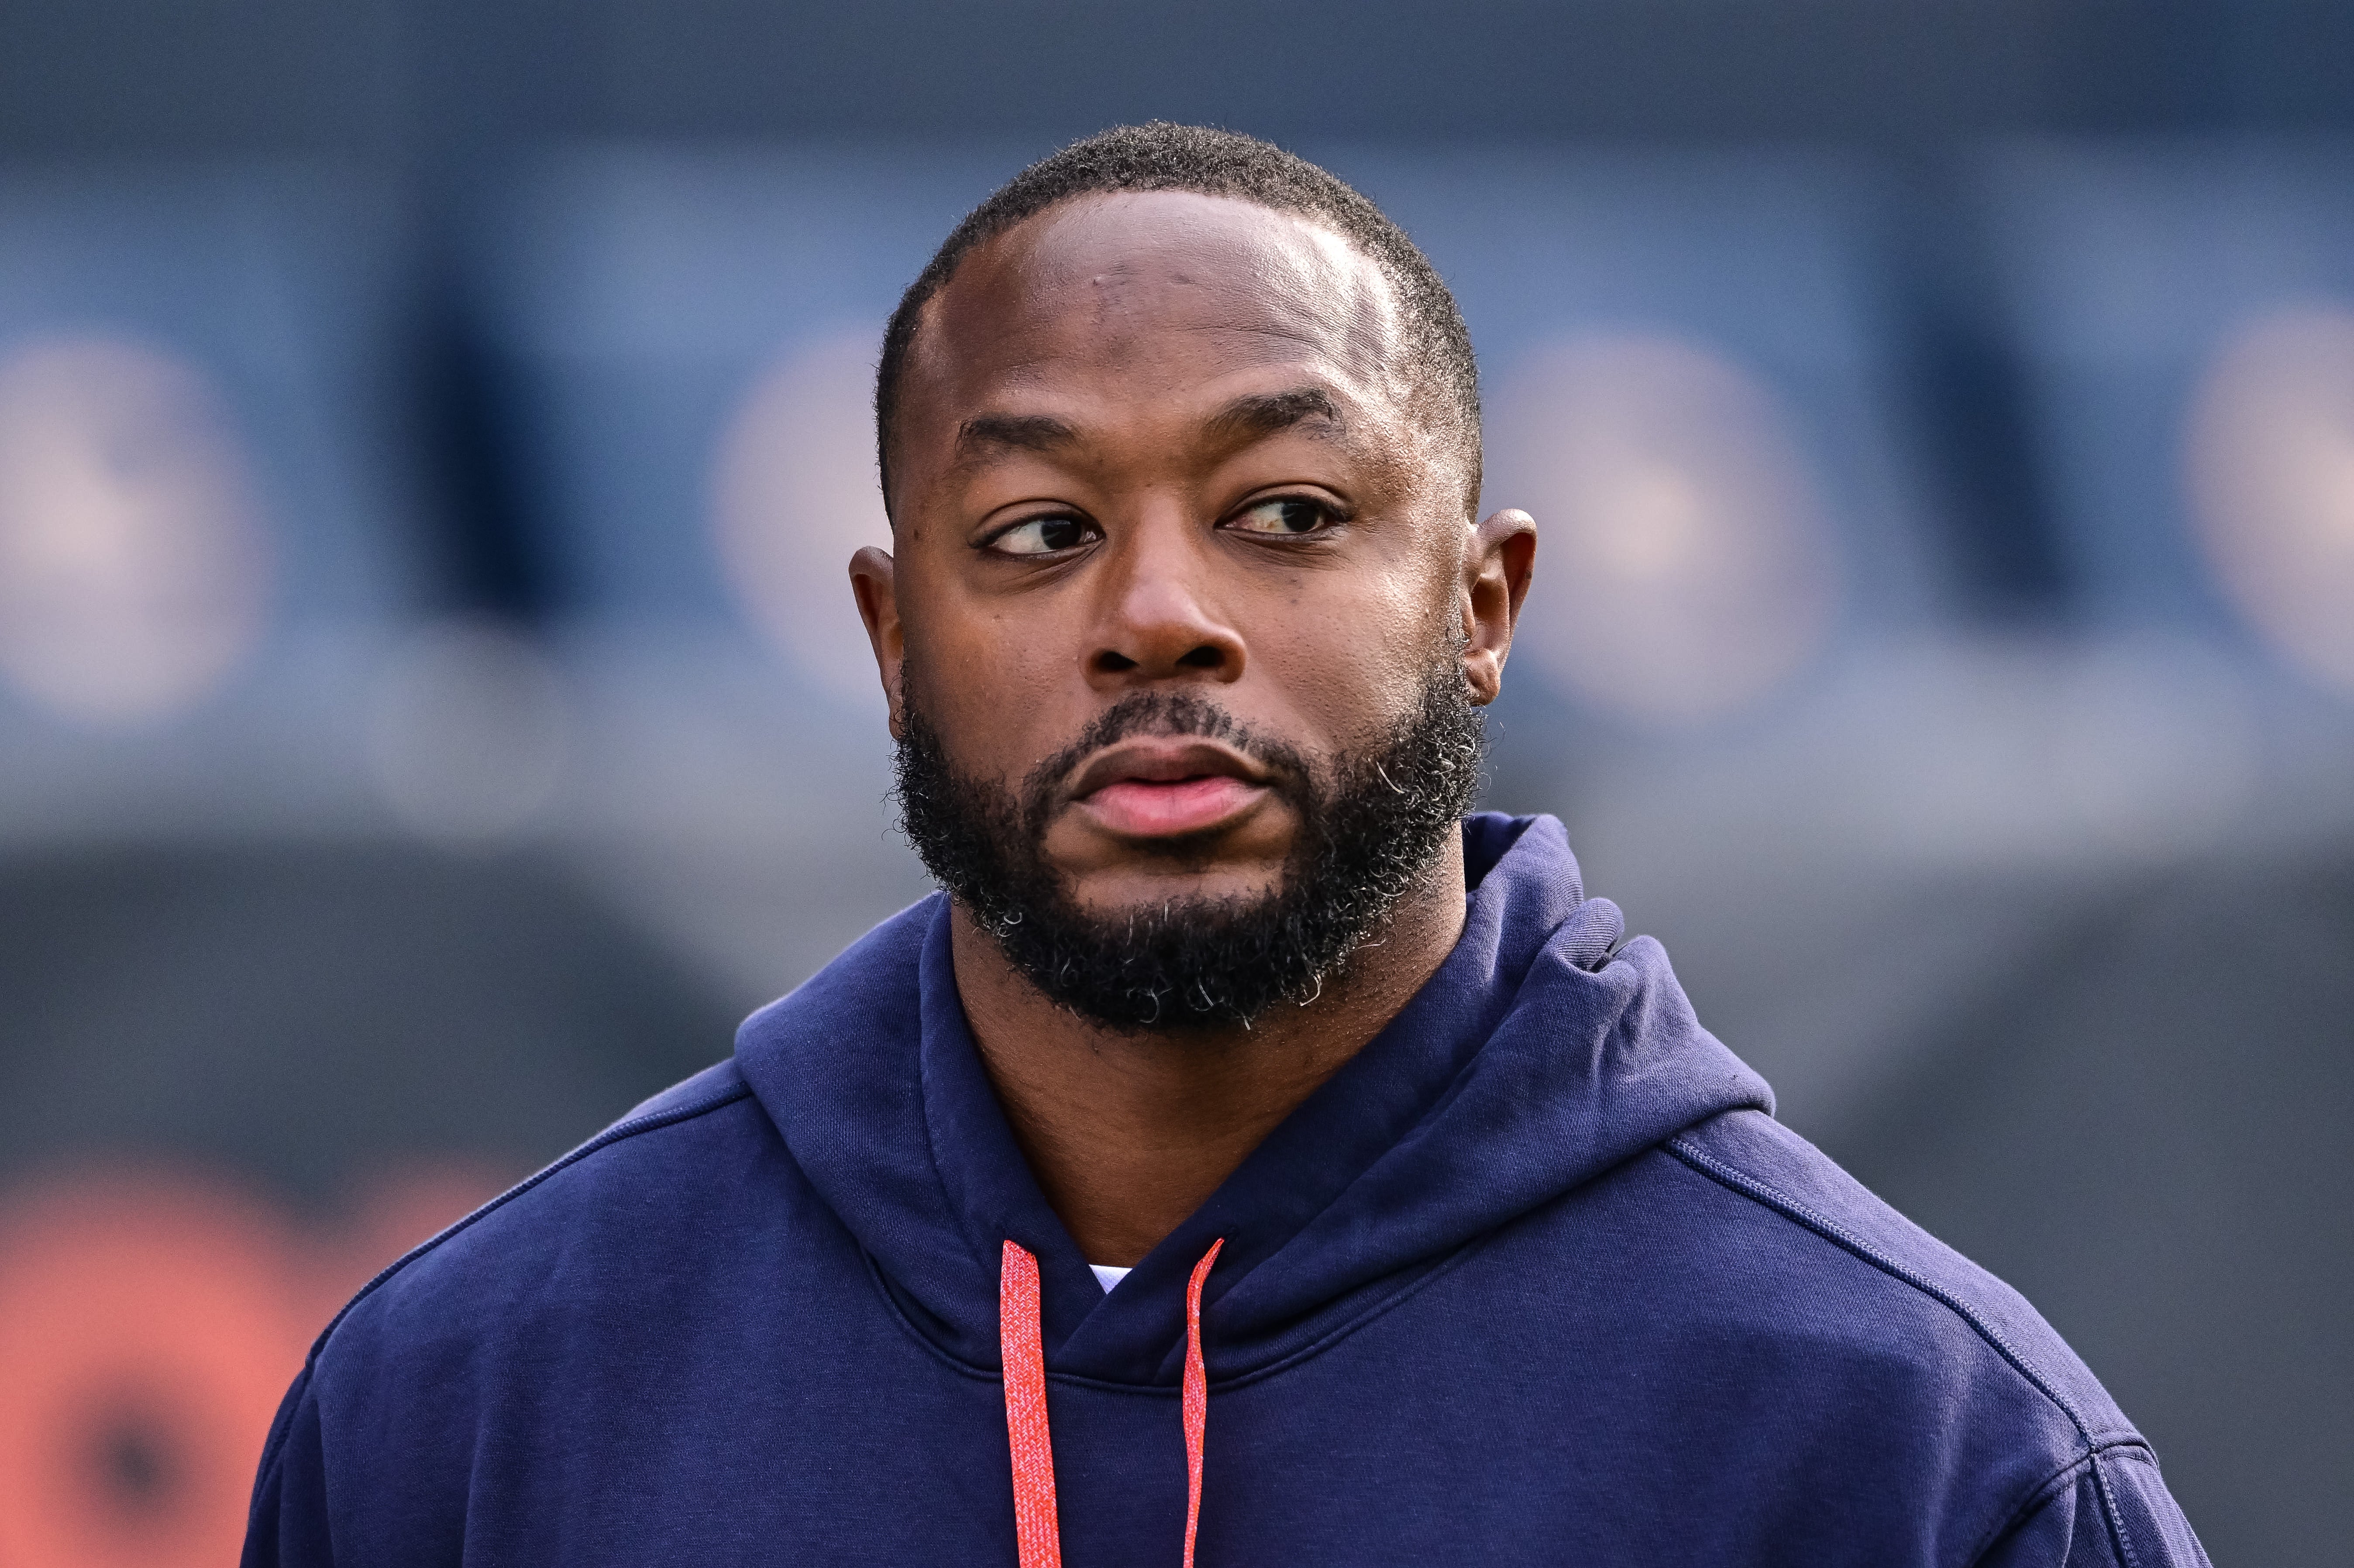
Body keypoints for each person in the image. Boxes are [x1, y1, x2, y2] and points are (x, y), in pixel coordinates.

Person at [243, 123, 2208, 1566]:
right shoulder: (479, 1398)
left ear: (1482, 605)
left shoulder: (1911, 1444)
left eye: (1283, 511)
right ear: (893, 643)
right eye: (1034, 532)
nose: (1157, 612)